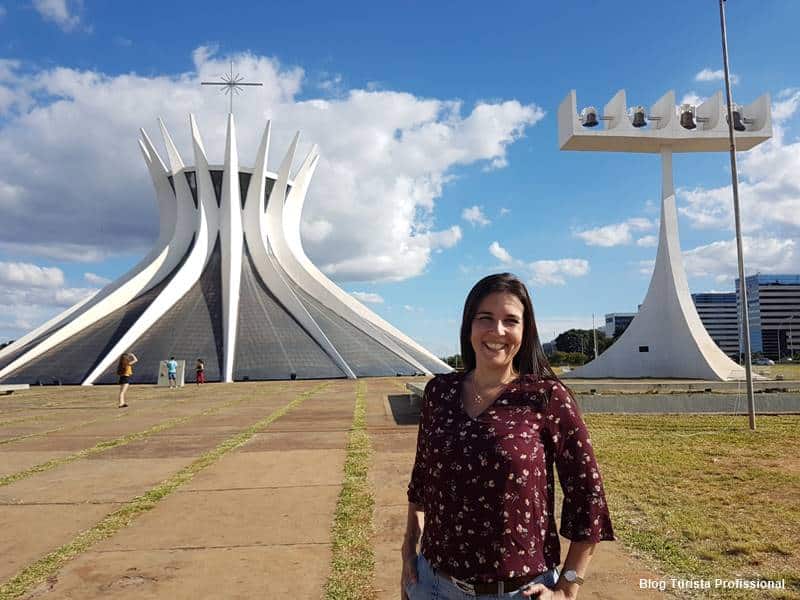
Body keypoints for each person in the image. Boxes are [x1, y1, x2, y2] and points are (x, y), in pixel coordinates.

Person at [401, 273, 614, 600]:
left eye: (510, 321)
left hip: (517, 592)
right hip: (433, 585)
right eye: (485, 318)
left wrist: (568, 587)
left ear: (524, 331)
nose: (497, 331)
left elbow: (589, 496)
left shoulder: (546, 398)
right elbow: (422, 479)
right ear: (469, 326)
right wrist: (408, 551)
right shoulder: (439, 393)